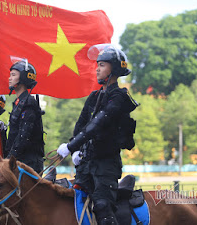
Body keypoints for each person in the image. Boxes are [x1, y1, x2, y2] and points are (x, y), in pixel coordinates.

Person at [57, 44, 139, 225]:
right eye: (97, 64)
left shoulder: (119, 97)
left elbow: (96, 125)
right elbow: (81, 126)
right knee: (71, 200)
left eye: (102, 65)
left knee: (102, 206)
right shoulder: (94, 96)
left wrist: (70, 147)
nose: (97, 69)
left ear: (115, 69)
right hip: (87, 165)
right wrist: (76, 150)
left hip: (106, 166)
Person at [0, 59, 45, 173]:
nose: (9, 78)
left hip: (28, 163)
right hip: (19, 160)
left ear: (23, 77)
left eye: (13, 75)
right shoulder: (19, 102)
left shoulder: (28, 103)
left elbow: (23, 136)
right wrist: (2, 131)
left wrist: (8, 160)